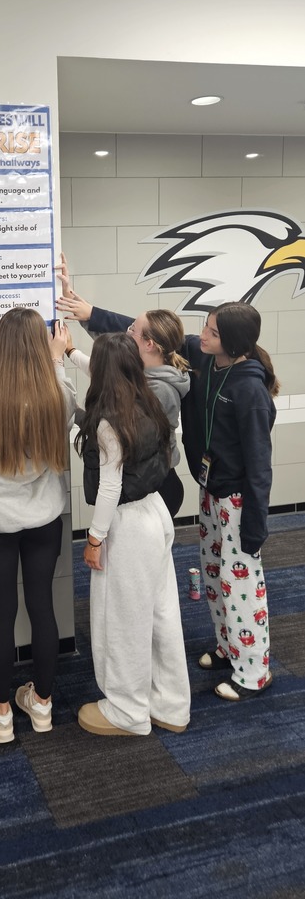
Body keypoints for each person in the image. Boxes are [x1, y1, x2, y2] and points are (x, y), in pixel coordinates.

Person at [58, 271, 278, 702]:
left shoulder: (250, 390)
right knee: (214, 576)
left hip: (237, 498)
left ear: (231, 343)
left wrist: (256, 521)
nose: (200, 334)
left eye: (211, 331)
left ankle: (254, 671)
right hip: (210, 489)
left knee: (242, 583)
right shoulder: (200, 355)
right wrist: (89, 314)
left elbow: (260, 465)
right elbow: (140, 332)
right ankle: (229, 647)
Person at [0, 308, 76, 743]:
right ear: (40, 344)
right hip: (44, 519)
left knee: (1, 614)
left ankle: (1, 713)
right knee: (42, 607)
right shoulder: (56, 393)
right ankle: (42, 705)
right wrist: (60, 360)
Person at [74, 331, 190, 735]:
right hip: (156, 512)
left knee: (123, 618)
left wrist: (93, 539)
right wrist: (68, 355)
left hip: (126, 524)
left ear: (101, 372)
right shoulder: (148, 399)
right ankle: (170, 704)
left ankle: (127, 711)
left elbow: (109, 487)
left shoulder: (109, 421)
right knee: (161, 612)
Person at [56, 253, 190, 518]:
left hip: (156, 488)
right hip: (146, 485)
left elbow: (113, 430)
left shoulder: (160, 391)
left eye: (132, 329)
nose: (126, 332)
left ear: (149, 344)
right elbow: (103, 370)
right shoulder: (141, 375)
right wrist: (69, 349)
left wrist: (71, 409)